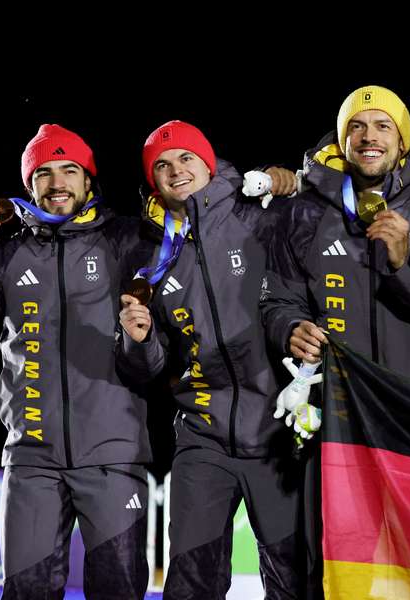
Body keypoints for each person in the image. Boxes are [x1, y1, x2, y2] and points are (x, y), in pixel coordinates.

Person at [0, 124, 150, 598]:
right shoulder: (4, 249)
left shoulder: (126, 239)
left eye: (69, 170)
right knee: (26, 592)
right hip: (32, 458)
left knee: (119, 591)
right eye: (43, 172)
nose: (57, 182)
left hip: (113, 454)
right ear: (29, 185)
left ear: (89, 181)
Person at [115, 120, 302, 599]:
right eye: (161, 165)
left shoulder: (260, 213)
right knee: (190, 586)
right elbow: (150, 370)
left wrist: (295, 181)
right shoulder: (147, 250)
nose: (175, 170)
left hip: (280, 435)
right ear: (151, 180)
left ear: (208, 162)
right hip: (202, 439)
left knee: (294, 577)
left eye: (185, 158)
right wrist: (139, 341)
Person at [261, 85, 410, 387]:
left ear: (402, 142)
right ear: (343, 143)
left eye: (383, 126)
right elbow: (277, 301)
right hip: (344, 404)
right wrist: (289, 328)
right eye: (357, 127)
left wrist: (407, 262)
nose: (369, 137)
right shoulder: (303, 212)